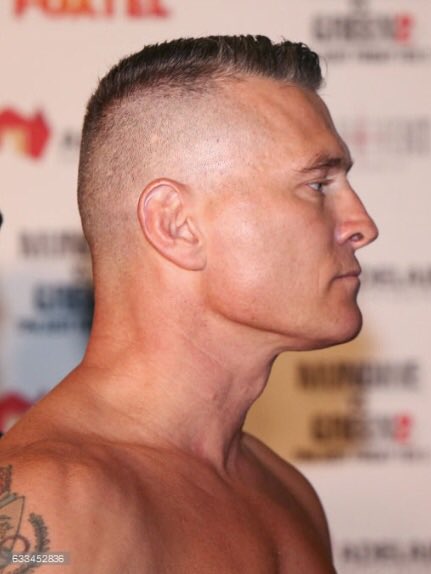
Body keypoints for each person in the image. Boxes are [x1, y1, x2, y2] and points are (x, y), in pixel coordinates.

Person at [0, 35, 377, 572]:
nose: (362, 225)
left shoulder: (285, 490)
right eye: (317, 185)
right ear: (176, 225)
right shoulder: (50, 505)